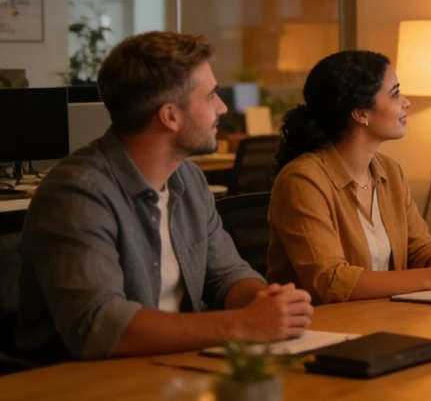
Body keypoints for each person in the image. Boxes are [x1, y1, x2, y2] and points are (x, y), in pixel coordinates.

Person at [18, 32, 313, 364]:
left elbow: (226, 274)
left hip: (172, 367)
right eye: (211, 96)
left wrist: (267, 302)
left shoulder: (188, 180)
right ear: (170, 115)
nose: (222, 107)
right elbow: (100, 326)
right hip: (84, 383)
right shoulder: (76, 194)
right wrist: (243, 324)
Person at [268, 50, 431, 304]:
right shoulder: (302, 180)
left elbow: (420, 246)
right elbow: (331, 281)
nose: (406, 102)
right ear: (360, 113)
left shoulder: (389, 171)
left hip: (385, 318)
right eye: (395, 94)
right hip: (322, 328)